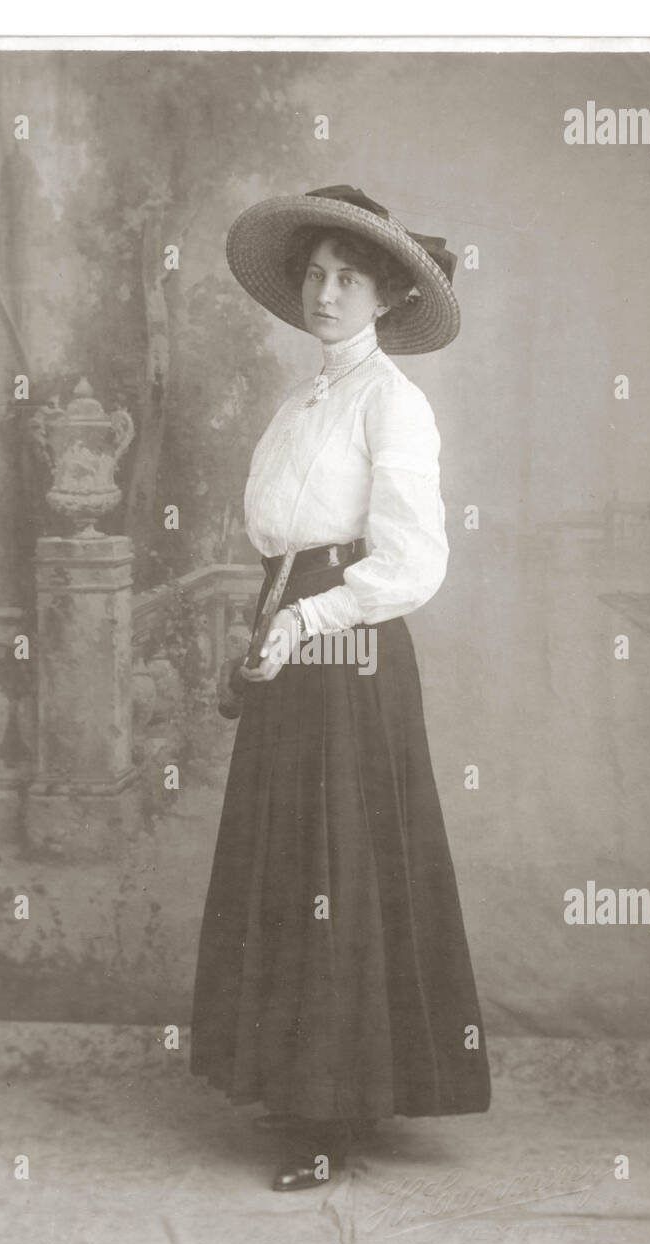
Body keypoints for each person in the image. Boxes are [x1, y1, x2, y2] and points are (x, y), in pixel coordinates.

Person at [190, 185, 491, 1192]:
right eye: (313, 274)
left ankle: (331, 1116)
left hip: (346, 647)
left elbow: (411, 560)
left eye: (345, 278)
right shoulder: (304, 400)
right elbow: (284, 538)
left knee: (338, 868)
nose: (323, 292)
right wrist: (264, 622)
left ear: (387, 294)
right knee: (289, 860)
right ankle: (297, 1079)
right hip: (286, 635)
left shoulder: (390, 403)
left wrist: (307, 619)